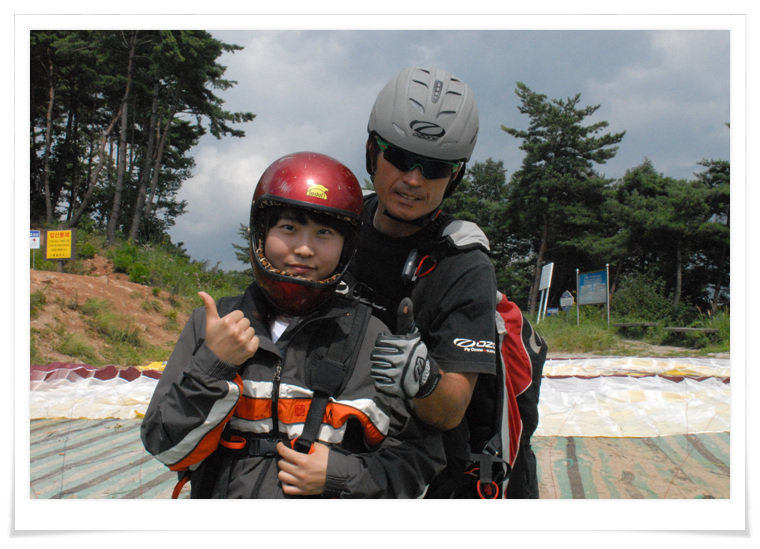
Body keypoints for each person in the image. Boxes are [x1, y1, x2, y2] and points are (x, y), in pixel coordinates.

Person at [141, 151, 445, 499]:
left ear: (348, 246)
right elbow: (166, 448)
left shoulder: (372, 339)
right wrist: (214, 365)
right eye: (289, 228)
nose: (304, 249)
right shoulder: (214, 327)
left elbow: (418, 461)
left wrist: (341, 475)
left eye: (324, 232)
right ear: (261, 232)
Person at [352, 66, 540, 498]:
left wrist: (424, 379)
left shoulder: (463, 264)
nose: (413, 180)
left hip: (427, 475)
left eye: (435, 167)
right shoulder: (337, 227)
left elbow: (451, 408)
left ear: (455, 176)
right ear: (371, 151)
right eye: (400, 158)